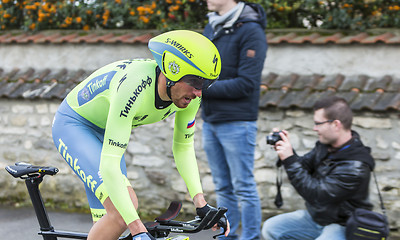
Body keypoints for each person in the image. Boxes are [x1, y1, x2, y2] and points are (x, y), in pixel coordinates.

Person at [51, 30, 229, 240]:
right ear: (173, 71)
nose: (200, 92)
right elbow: (109, 166)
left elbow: (183, 147)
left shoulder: (190, 97)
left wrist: (201, 204)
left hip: (107, 132)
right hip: (74, 125)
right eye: (197, 83)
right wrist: (138, 231)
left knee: (109, 227)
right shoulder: (134, 87)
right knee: (123, 211)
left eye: (206, 84)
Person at [262, 96, 375, 240]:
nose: (314, 128)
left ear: (335, 124)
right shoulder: (325, 146)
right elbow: (303, 167)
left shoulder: (355, 167)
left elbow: (317, 196)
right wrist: (286, 148)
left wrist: (289, 159)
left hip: (344, 225)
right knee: (272, 228)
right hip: (318, 218)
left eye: (318, 123)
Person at [201, 0, 268, 239]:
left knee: (244, 187)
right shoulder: (212, 27)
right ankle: (228, 235)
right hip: (210, 121)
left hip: (238, 122)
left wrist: (199, 88)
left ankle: (250, 236)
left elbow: (247, 83)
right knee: (222, 187)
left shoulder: (252, 30)